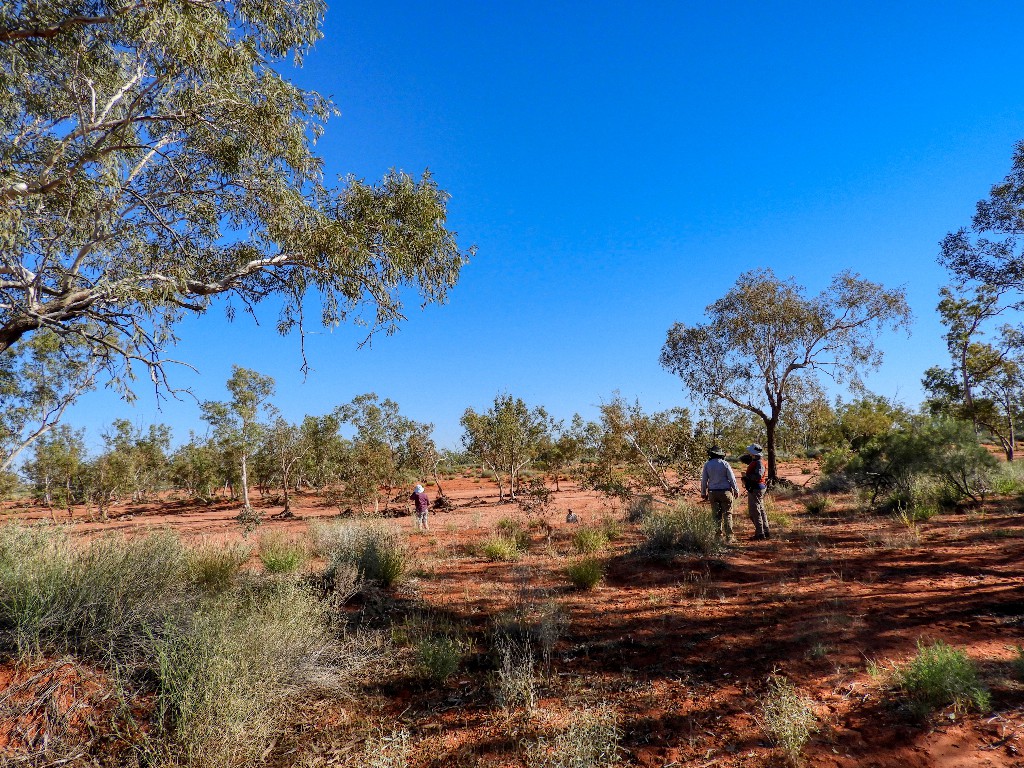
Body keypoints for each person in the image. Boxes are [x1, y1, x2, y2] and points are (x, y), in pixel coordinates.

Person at [700, 446, 739, 543]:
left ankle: (718, 537)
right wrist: (736, 490)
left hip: (713, 492)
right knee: (728, 514)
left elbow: (704, 480)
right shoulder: (725, 464)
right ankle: (729, 537)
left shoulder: (707, 465)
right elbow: (732, 479)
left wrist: (703, 492)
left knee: (716, 515)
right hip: (725, 492)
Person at [741, 443, 770, 540]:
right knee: (760, 509)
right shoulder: (758, 461)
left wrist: (746, 476)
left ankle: (760, 533)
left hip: (756, 488)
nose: (749, 453)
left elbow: (758, 476)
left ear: (753, 452)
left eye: (750, 451)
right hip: (758, 487)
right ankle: (765, 531)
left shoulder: (759, 462)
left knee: (755, 511)